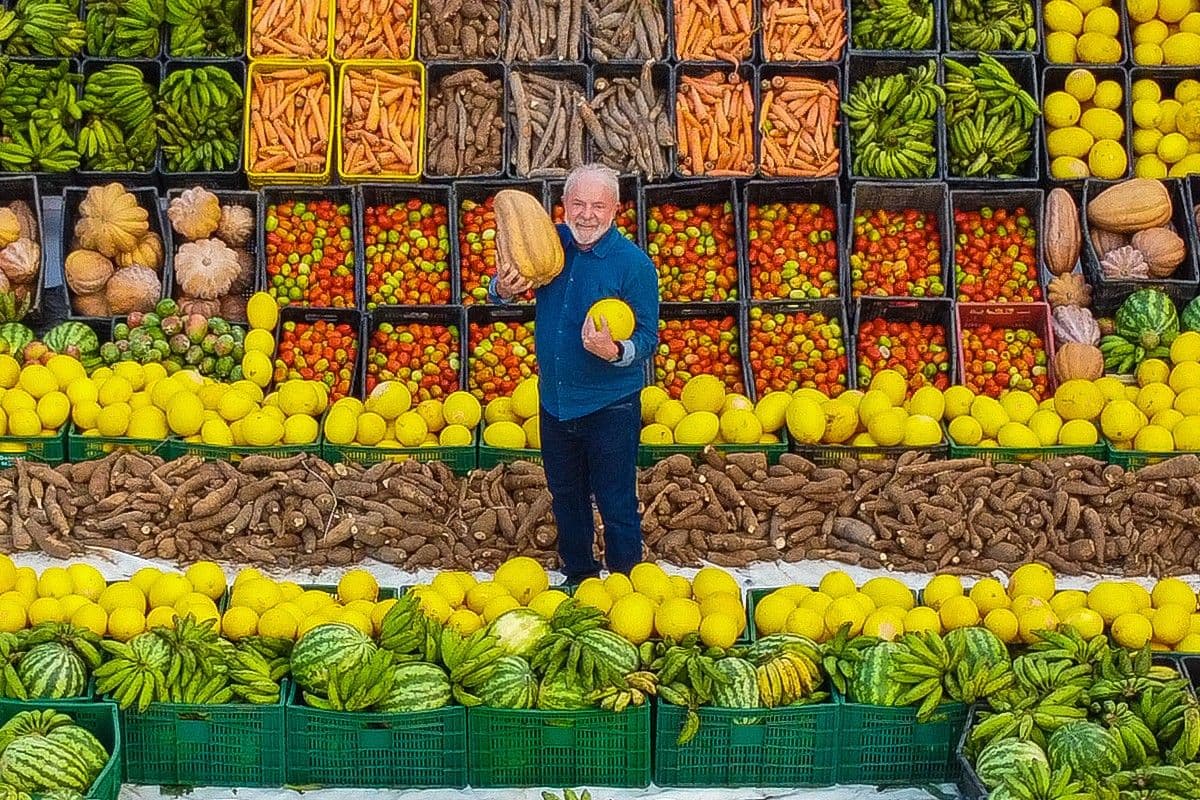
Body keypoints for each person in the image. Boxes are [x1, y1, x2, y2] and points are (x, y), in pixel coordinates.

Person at [488, 163, 659, 584]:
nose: (586, 214)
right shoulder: (550, 245)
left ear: (616, 209)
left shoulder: (633, 265)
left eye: (597, 205)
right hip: (556, 402)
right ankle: (579, 575)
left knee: (616, 500)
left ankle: (625, 582)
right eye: (577, 203)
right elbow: (506, 288)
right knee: (566, 497)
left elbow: (649, 338)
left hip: (611, 406)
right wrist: (502, 290)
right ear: (562, 206)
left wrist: (616, 349)